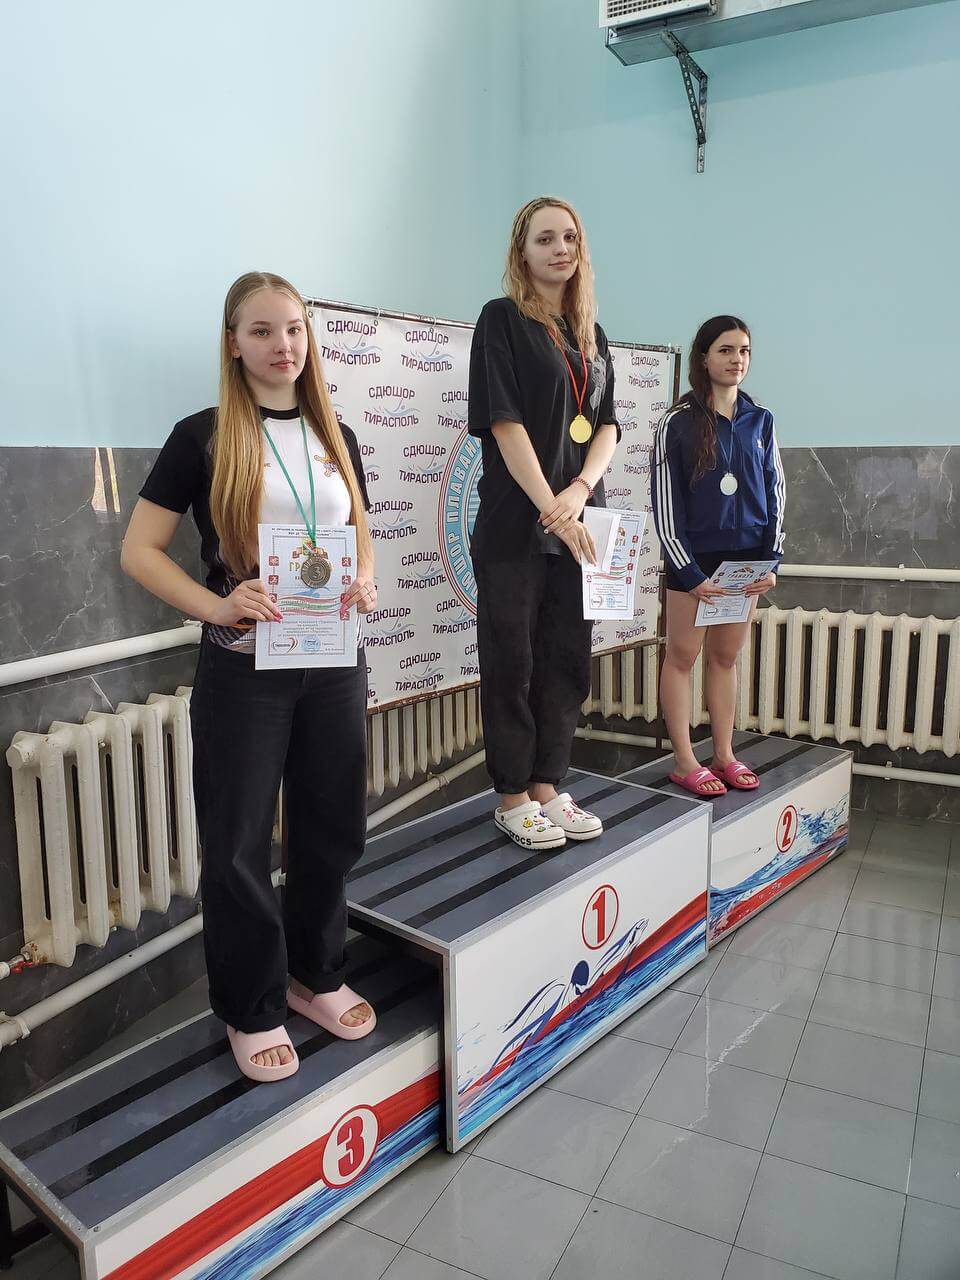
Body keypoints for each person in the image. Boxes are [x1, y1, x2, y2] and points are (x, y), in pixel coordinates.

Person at [121, 271, 377, 1082]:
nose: (282, 345)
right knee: (236, 844)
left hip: (333, 658)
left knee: (332, 825)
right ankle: (252, 1005)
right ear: (233, 343)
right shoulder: (201, 436)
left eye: (294, 328)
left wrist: (365, 579)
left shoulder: (336, 432)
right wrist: (218, 606)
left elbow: (359, 532)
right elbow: (138, 551)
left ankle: (315, 975)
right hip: (246, 670)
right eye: (262, 331)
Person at [468, 196, 620, 850]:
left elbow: (606, 425)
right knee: (513, 662)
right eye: (545, 239)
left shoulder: (591, 333)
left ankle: (547, 786)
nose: (561, 249)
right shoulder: (501, 320)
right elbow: (504, 422)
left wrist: (579, 492)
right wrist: (549, 506)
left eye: (570, 238)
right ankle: (511, 796)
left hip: (580, 520)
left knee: (566, 659)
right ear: (522, 252)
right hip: (516, 524)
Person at [651, 315, 785, 797]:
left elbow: (776, 491)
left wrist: (771, 562)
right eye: (726, 350)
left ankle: (724, 754)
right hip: (695, 561)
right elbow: (665, 503)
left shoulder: (761, 419)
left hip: (745, 562)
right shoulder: (675, 422)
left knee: (725, 658)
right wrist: (688, 572)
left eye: (744, 350)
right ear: (704, 358)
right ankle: (684, 760)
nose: (737, 360)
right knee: (682, 656)